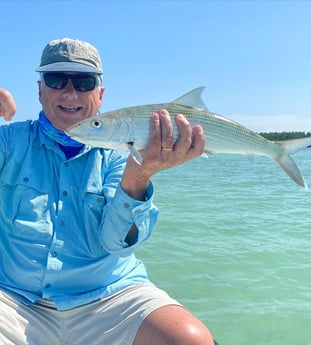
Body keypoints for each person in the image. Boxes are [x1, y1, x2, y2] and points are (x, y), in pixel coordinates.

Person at [0, 38, 217, 345]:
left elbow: (116, 244)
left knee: (190, 339)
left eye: (84, 82)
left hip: (109, 296)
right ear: (39, 90)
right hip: (13, 299)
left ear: (100, 95)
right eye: (56, 79)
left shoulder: (120, 155)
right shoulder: (8, 142)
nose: (70, 92)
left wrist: (139, 174)